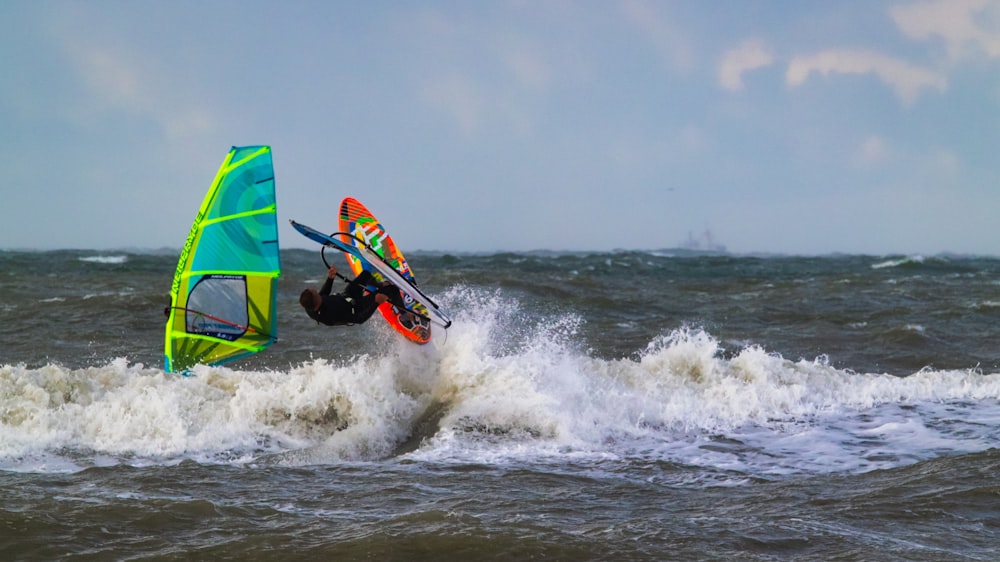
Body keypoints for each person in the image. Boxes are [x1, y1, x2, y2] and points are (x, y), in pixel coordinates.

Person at [300, 265, 409, 326]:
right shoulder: (331, 315)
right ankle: (405, 316)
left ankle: (379, 285)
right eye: (315, 292)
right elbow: (359, 319)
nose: (316, 291)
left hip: (347, 296)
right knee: (392, 289)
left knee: (366, 275)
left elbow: (323, 294)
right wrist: (376, 302)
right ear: (316, 300)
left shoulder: (310, 305)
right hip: (357, 307)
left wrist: (330, 278)